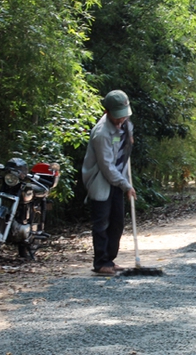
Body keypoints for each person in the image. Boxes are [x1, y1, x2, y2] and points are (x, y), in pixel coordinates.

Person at [82, 90, 137, 275]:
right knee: (102, 222)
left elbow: (125, 148)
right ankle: (100, 262)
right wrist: (126, 185)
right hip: (101, 179)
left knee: (117, 222)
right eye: (117, 117)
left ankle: (110, 259)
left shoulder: (126, 124)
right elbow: (107, 167)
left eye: (123, 116)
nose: (121, 120)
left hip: (118, 179)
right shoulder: (101, 133)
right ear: (107, 112)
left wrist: (128, 142)